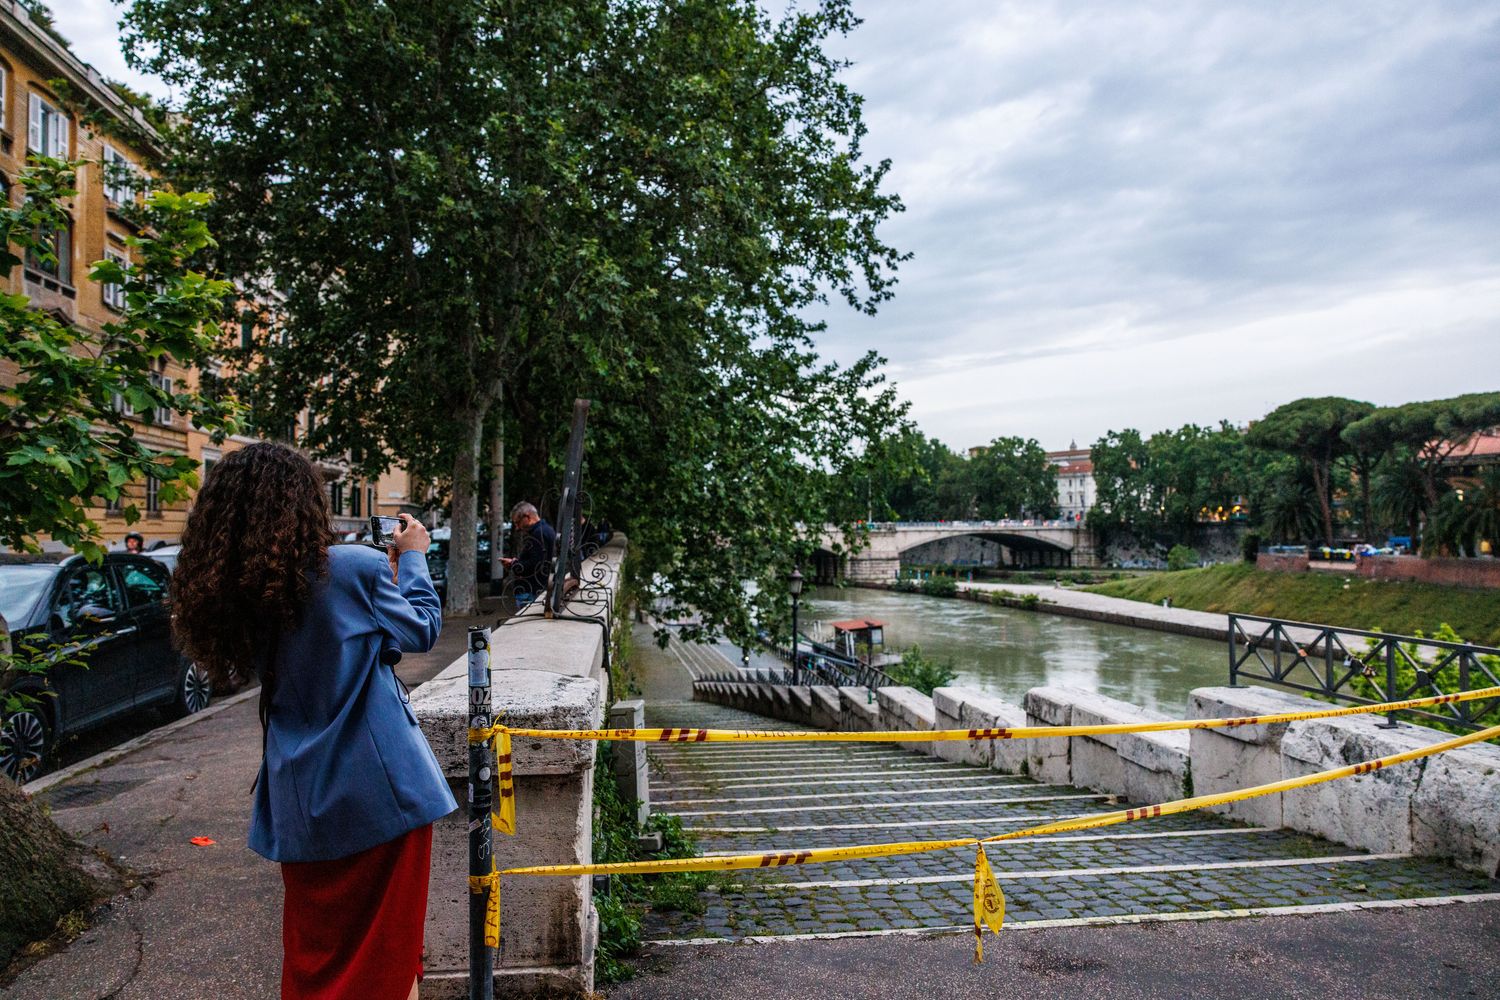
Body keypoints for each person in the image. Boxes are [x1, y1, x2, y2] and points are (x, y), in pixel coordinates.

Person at [169, 442, 454, 1000]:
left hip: (298, 799)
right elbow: (420, 630)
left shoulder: (241, 591)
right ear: (304, 502)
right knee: (388, 963)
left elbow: (321, 647)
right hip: (381, 794)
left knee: (316, 961)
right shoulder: (354, 568)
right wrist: (414, 556)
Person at [502, 501, 557, 602]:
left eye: (518, 522)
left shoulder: (538, 534)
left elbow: (536, 564)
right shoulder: (546, 529)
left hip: (532, 590)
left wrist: (513, 564)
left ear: (527, 517)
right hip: (538, 588)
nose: (518, 527)